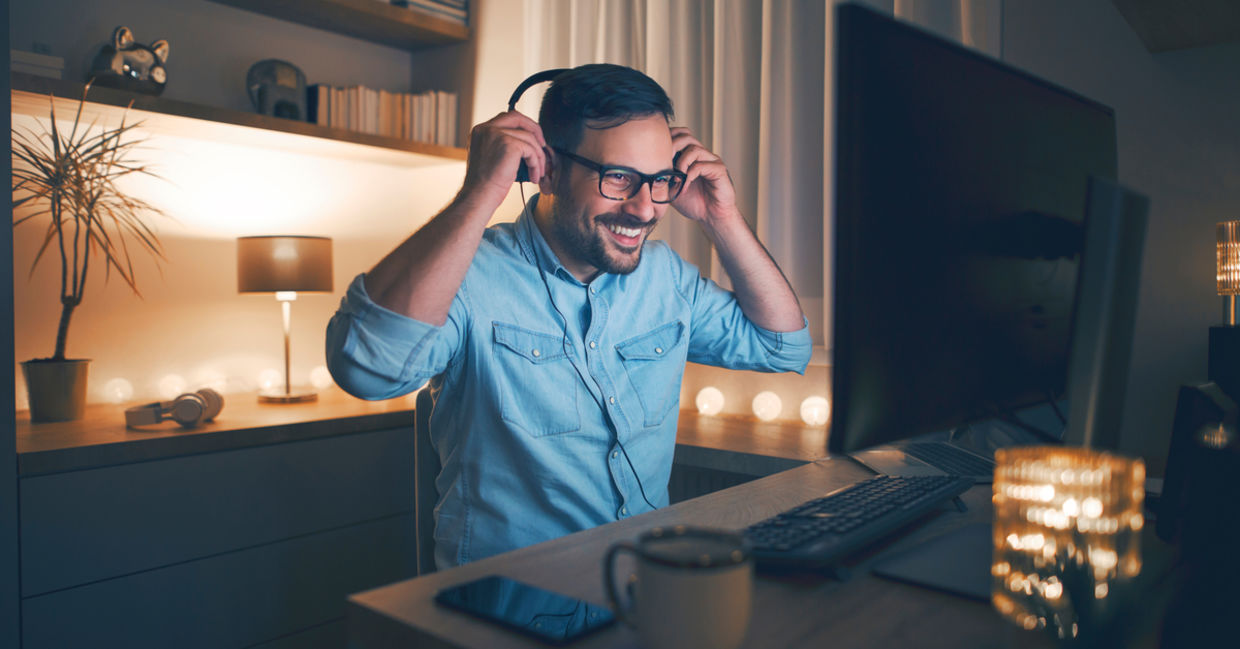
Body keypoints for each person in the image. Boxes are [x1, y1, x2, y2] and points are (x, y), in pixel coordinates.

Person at [326, 63, 811, 569]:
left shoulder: (666, 278)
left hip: (642, 596)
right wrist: (479, 193)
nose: (645, 209)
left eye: (660, 180)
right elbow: (365, 370)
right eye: (619, 177)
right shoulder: (468, 276)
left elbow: (783, 346)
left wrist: (721, 217)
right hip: (510, 614)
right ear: (547, 169)